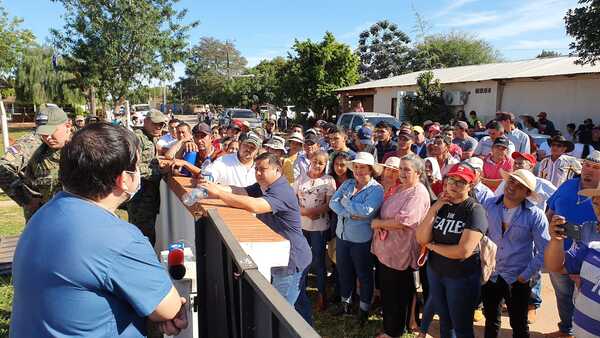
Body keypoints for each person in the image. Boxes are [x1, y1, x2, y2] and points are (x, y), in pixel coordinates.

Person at [10, 123, 188, 337]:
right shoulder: (120, 240)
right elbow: (170, 310)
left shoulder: (44, 214)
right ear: (124, 179)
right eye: (136, 167)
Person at [199, 152, 313, 322]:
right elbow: (240, 191)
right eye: (256, 169)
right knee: (297, 304)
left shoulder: (281, 190)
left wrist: (219, 193)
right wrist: (211, 186)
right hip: (286, 255)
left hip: (291, 259)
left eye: (263, 169)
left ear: (278, 170)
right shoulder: (264, 185)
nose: (258, 173)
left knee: (281, 313)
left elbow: (255, 205)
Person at [416, 164, 488, 338]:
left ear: (470, 186)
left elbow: (463, 251)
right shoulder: (439, 205)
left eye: (461, 182)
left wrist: (432, 246)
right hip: (436, 272)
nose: (454, 185)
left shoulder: (474, 210)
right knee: (445, 323)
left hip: (461, 277)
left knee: (462, 328)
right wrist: (435, 207)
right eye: (451, 180)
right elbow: (421, 238)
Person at [482, 169, 550, 338]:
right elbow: (480, 236)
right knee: (491, 320)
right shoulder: (489, 205)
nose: (512, 187)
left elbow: (545, 250)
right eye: (511, 181)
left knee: (519, 324)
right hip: (492, 273)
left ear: (527, 193)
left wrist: (526, 275)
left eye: (520, 186)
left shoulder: (536, 215)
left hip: (518, 277)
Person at [371, 154, 431, 338]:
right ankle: (389, 329)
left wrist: (377, 223)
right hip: (387, 250)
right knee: (389, 294)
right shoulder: (401, 188)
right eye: (401, 168)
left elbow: (405, 221)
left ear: (419, 173)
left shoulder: (418, 193)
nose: (402, 173)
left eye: (407, 169)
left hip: (401, 253)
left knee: (398, 296)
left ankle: (394, 332)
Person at [544, 150, 600, 338]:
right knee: (563, 295)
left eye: (596, 168)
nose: (589, 171)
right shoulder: (568, 185)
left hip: (591, 263)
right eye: (586, 165)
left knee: (589, 301)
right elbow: (550, 210)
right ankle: (567, 329)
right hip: (560, 253)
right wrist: (553, 226)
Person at [329, 152, 384, 324]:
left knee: (364, 275)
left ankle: (363, 310)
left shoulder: (376, 189)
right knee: (344, 271)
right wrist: (350, 212)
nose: (359, 170)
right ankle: (346, 304)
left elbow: (367, 212)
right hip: (342, 236)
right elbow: (332, 203)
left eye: (363, 167)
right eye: (357, 167)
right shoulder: (348, 183)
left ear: (370, 169)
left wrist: (345, 204)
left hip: (361, 240)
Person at [293, 150, 336, 311]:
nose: (317, 165)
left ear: (325, 165)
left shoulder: (328, 180)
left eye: (321, 163)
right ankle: (299, 291)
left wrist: (315, 212)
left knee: (318, 260)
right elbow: (293, 199)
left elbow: (330, 203)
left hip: (319, 226)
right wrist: (305, 212)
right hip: (302, 225)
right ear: (310, 160)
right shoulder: (301, 179)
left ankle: (321, 294)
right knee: (301, 258)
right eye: (315, 161)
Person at [21, 106, 73, 219]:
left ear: (68, 126)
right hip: (54, 222)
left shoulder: (88, 149)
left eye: (51, 131)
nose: (47, 137)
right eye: (43, 133)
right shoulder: (38, 158)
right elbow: (32, 197)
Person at [127, 109, 166, 246]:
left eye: (161, 125)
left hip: (149, 195)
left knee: (148, 233)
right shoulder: (137, 138)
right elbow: (130, 167)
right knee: (143, 236)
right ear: (146, 122)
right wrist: (157, 169)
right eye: (155, 124)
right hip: (140, 197)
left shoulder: (151, 138)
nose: (158, 127)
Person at [0, 128, 43, 220]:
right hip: (41, 211)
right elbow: (2, 169)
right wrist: (26, 199)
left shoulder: (74, 138)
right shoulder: (30, 143)